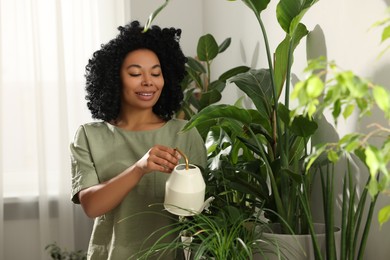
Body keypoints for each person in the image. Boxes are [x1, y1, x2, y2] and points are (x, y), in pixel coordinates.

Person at [70, 20, 207, 259]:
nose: (148, 81)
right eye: (135, 73)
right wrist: (139, 168)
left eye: (156, 73)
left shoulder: (185, 133)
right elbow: (92, 206)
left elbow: (203, 213)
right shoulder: (89, 136)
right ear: (114, 78)